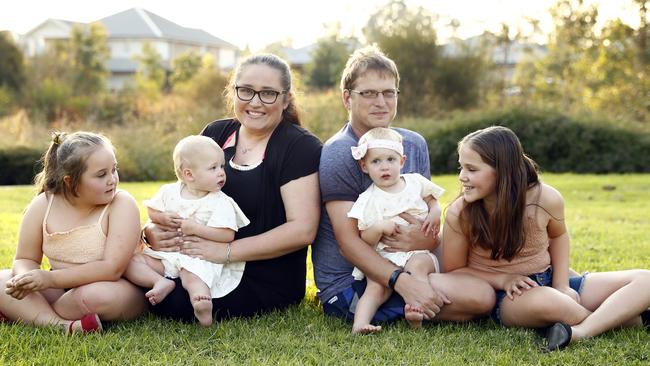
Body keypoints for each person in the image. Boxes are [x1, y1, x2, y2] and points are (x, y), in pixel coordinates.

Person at [312, 45, 495, 328]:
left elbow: (427, 222)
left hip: (414, 260)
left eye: (389, 92)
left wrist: (428, 240)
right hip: (356, 283)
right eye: (369, 93)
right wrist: (403, 282)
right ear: (347, 98)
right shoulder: (341, 152)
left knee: (484, 260)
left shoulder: (413, 144)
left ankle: (543, 280)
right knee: (481, 297)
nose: (381, 102)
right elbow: (348, 245)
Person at [143, 53, 322, 323]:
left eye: (268, 94)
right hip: (197, 263)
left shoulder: (299, 147)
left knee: (175, 301)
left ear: (286, 99)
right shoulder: (215, 134)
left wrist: (225, 253)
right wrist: (152, 233)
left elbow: (302, 230)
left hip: (264, 276)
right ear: (233, 91)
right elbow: (182, 195)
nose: (255, 102)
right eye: (246, 91)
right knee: (137, 274)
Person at [443, 125, 650, 351]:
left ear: (503, 170)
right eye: (461, 167)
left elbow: (559, 236)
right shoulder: (460, 213)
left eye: (472, 169)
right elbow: (454, 271)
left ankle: (581, 331)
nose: (462, 176)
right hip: (509, 296)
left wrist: (562, 284)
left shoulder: (545, 198)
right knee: (553, 303)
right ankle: (632, 319)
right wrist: (503, 280)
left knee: (645, 280)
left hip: (548, 278)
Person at [0, 131, 148, 333]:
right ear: (70, 182)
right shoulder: (44, 204)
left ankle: (32, 313)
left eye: (114, 169)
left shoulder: (121, 204)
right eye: (101, 174)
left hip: (116, 287)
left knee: (92, 296)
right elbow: (25, 258)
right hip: (59, 289)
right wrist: (26, 280)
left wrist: (48, 279)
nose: (112, 179)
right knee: (3, 281)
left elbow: (112, 269)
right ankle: (64, 326)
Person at [125, 135, 249, 326]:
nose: (221, 173)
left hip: (197, 258)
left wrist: (197, 229)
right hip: (167, 257)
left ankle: (201, 303)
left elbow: (227, 235)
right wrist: (161, 218)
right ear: (189, 174)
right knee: (132, 261)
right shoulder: (169, 192)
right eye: (213, 168)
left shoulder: (220, 201)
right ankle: (158, 282)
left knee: (193, 280)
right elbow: (152, 210)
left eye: (222, 167)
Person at [347, 127, 444, 333]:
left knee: (418, 267)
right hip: (385, 258)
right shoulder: (367, 199)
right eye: (376, 161)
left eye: (391, 160)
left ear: (402, 161)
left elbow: (433, 202)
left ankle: (416, 311)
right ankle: (360, 324)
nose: (385, 167)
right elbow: (365, 239)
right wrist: (379, 227)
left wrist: (435, 213)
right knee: (375, 287)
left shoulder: (415, 182)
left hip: (418, 252)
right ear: (364, 166)